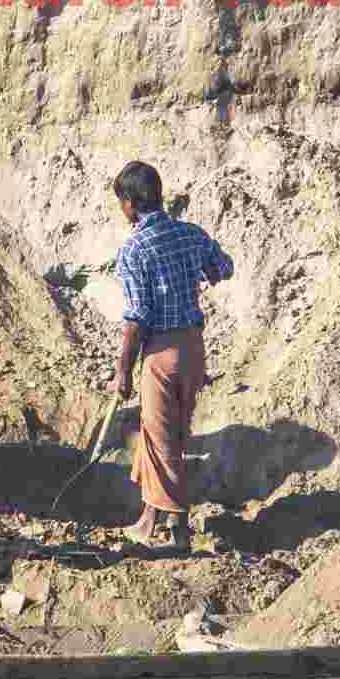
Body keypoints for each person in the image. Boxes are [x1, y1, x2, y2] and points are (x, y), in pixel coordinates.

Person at [109, 160, 232, 552]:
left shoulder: (134, 249)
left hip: (160, 352)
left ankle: (179, 532)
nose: (121, 209)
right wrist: (200, 273)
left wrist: (122, 371)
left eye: (121, 202)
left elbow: (135, 319)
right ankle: (148, 519)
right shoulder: (190, 233)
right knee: (164, 431)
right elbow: (223, 268)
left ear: (130, 202)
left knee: (164, 441)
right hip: (194, 349)